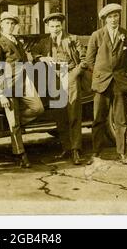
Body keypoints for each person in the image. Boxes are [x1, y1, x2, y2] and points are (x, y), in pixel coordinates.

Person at [0, 11, 44, 168]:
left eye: (12, 23)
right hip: (9, 86)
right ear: (1, 25)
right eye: (7, 23)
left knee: (38, 108)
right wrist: (2, 95)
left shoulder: (18, 43)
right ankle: (20, 155)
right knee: (13, 123)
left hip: (24, 83)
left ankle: (16, 123)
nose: (10, 26)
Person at [31, 12, 86, 165]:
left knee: (73, 113)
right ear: (48, 27)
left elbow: (84, 60)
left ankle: (76, 150)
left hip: (70, 76)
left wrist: (73, 75)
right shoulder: (44, 42)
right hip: (53, 80)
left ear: (62, 26)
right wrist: (41, 58)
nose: (55, 29)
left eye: (57, 26)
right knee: (60, 115)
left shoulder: (72, 39)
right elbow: (34, 53)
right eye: (52, 26)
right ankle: (66, 148)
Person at [85, 3, 127, 165]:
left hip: (119, 83)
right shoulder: (97, 35)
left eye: (116, 16)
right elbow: (89, 60)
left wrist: (122, 74)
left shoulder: (126, 35)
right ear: (104, 20)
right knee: (98, 119)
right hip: (102, 83)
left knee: (121, 119)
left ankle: (122, 153)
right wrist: (101, 74)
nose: (114, 20)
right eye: (110, 17)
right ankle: (96, 153)